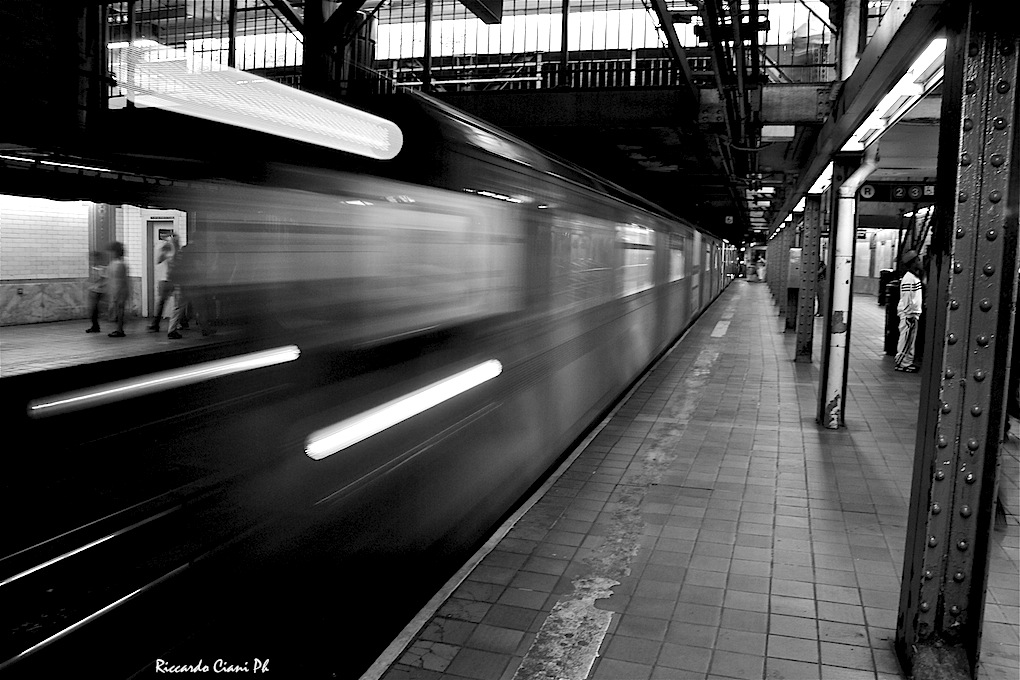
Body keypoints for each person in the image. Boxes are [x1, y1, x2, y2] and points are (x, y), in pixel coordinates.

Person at [895, 249, 924, 372]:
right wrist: (908, 313)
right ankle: (902, 362)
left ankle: (907, 362)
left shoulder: (913, 277)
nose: (920, 262)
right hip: (909, 314)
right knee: (906, 339)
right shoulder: (909, 278)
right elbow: (907, 297)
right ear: (913, 262)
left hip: (912, 313)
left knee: (910, 339)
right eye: (918, 260)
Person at [149, 235, 179, 332]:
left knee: (162, 303)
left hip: (165, 281)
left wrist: (168, 243)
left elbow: (159, 259)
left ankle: (155, 324)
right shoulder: (171, 255)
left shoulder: (166, 255)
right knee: (177, 303)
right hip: (170, 281)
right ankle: (182, 322)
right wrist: (172, 243)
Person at [105, 241, 129, 337]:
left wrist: (115, 293)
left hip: (119, 290)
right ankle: (119, 328)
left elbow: (118, 280)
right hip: (118, 289)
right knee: (118, 310)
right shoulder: (118, 263)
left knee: (119, 310)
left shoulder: (118, 264)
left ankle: (119, 329)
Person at [85, 250, 107, 333]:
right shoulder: (93, 268)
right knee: (92, 310)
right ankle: (94, 325)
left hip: (98, 292)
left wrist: (96, 285)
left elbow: (104, 280)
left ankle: (95, 326)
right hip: (94, 291)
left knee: (94, 310)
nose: (91, 260)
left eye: (93, 258)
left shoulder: (101, 269)